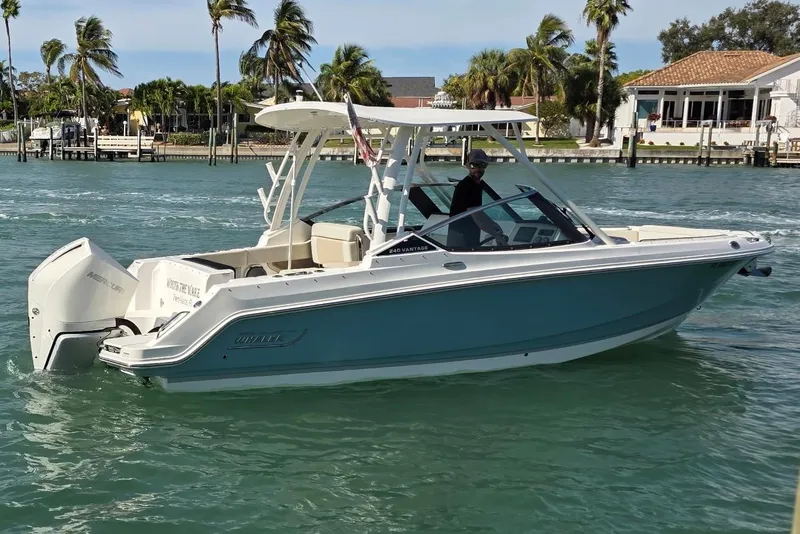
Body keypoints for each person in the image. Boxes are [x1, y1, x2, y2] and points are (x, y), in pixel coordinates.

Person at [447, 148, 508, 249]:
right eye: (473, 166)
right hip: (461, 241)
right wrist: (497, 236)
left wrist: (492, 224)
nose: (477, 169)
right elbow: (477, 217)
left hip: (467, 237)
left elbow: (478, 212)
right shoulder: (467, 186)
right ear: (467, 166)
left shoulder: (476, 185)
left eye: (481, 165)